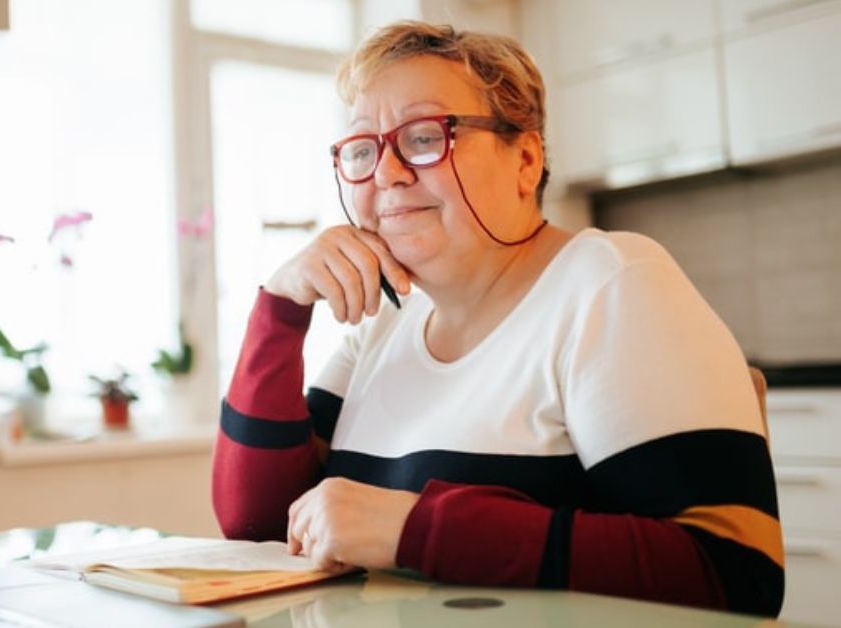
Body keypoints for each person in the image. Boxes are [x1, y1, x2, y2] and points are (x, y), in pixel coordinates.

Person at [211, 21, 783, 617]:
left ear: (526, 159)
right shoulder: (386, 323)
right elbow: (257, 525)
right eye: (362, 149)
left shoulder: (608, 282)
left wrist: (416, 530)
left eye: (426, 137)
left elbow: (735, 574)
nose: (386, 173)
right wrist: (281, 307)